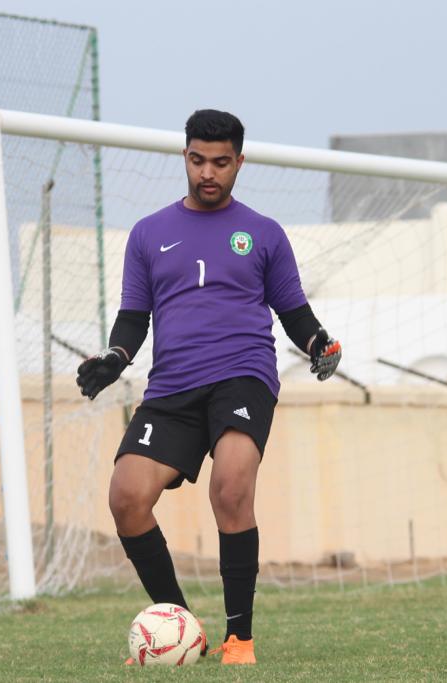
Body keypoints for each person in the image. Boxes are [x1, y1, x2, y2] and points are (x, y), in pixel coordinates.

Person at [76, 109, 342, 666]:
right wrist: (115, 358)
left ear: (239, 162)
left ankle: (239, 638)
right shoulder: (148, 233)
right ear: (185, 157)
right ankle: (182, 630)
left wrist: (318, 342)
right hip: (172, 386)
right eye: (198, 160)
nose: (208, 173)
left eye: (220, 162)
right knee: (126, 498)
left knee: (231, 487)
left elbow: (294, 311)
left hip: (243, 376)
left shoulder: (264, 233)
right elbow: (133, 317)